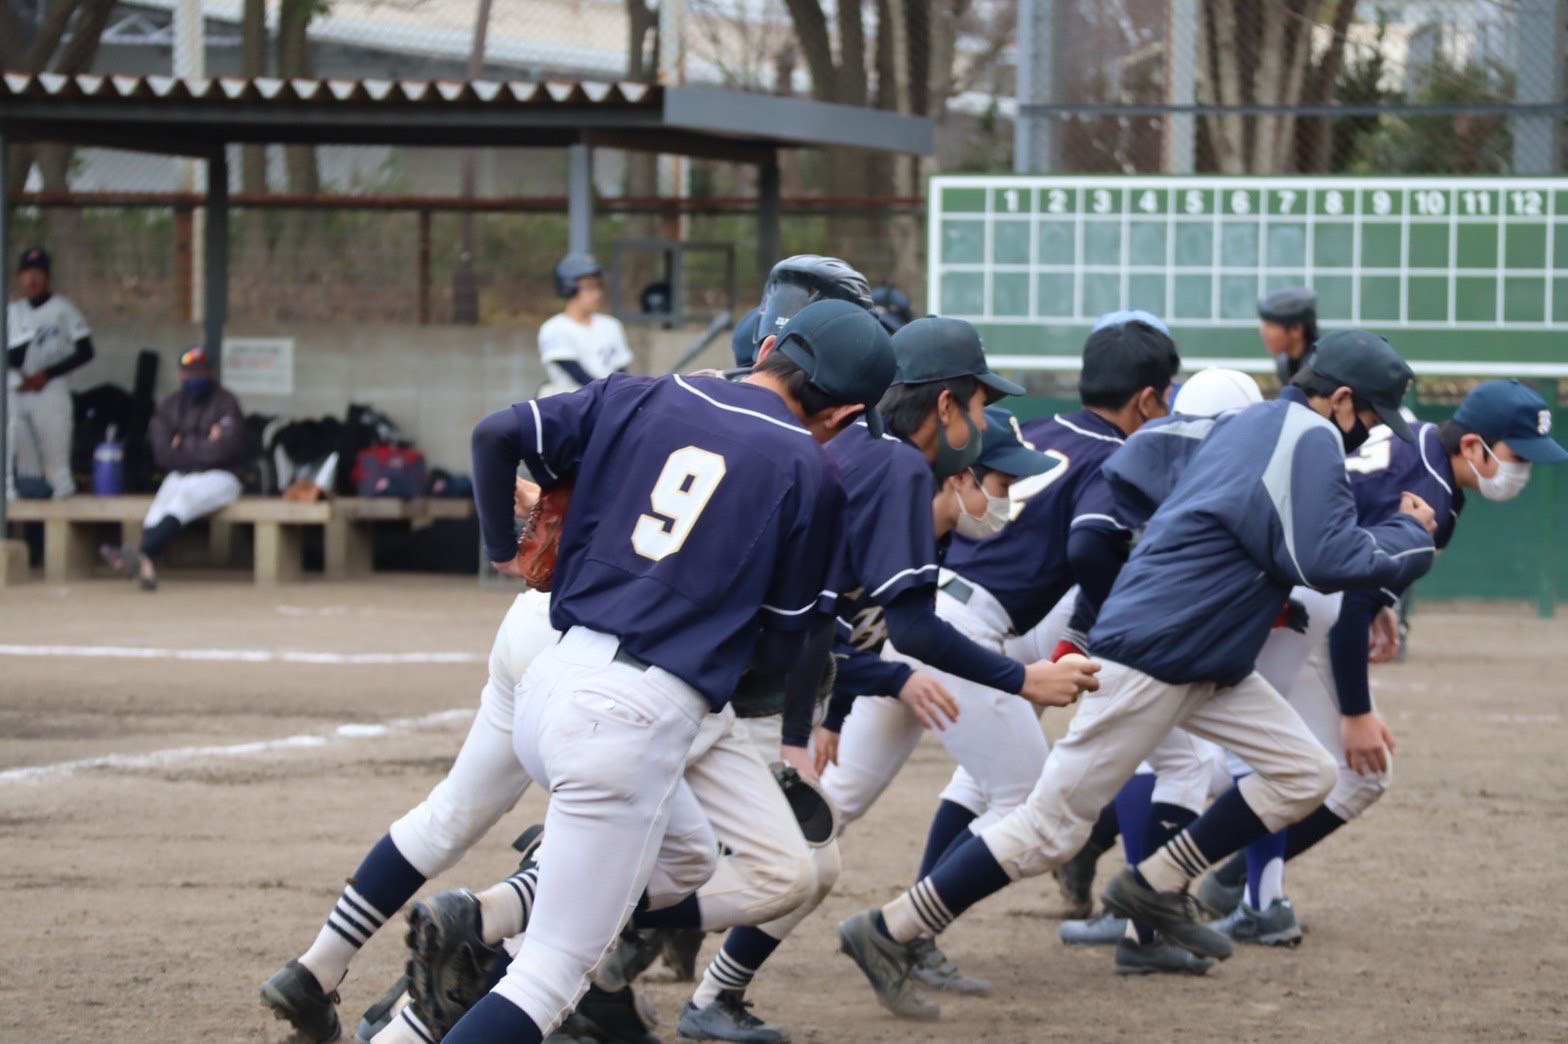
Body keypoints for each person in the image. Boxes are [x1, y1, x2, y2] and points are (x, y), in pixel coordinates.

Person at [836, 330, 1440, 1019]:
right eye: (1368, 415)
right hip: (1159, 649)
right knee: (1049, 828)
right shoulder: (1307, 434)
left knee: (1304, 771)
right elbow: (1328, 557)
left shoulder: (1258, 425)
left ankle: (1153, 883)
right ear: (1338, 398)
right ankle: (889, 929)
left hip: (1205, 651)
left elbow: (1146, 468)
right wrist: (1408, 532)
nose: (1368, 434)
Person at [438, 297, 895, 1044]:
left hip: (551, 679)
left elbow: (496, 434)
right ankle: (512, 926)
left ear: (772, 344)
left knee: (683, 859)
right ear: (843, 413)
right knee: (550, 975)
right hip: (633, 718)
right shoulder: (811, 472)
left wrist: (502, 550)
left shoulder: (644, 390)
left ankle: (514, 905)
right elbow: (782, 646)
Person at [1198, 377, 1568, 944]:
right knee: (1306, 768)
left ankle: (1238, 886)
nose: (1524, 471)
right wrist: (1356, 711)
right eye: (1518, 455)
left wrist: (1382, 601)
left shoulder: (1412, 440)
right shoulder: (1433, 491)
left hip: (1282, 592)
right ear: (1473, 445)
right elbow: (1348, 608)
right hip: (1298, 605)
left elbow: (1362, 571)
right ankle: (1234, 889)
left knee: (1239, 757)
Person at [99, 347, 247, 591]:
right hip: (180, 474)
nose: (195, 376)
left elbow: (224, 450)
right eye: (189, 371)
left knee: (182, 502)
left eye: (200, 371)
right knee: (156, 512)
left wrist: (183, 443)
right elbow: (163, 454)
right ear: (180, 374)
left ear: (212, 372)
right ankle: (145, 567)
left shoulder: (226, 402)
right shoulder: (171, 405)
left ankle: (138, 553)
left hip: (222, 476)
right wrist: (204, 442)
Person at [6, 247, 94, 499]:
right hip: (18, 390)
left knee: (57, 470)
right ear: (19, 276)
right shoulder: (14, 310)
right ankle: (35, 538)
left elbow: (86, 350)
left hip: (50, 389)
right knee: (27, 469)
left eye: (38, 272)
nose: (32, 279)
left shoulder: (62, 308)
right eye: (27, 273)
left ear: (47, 276)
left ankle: (62, 535)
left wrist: (48, 373)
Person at [537, 254, 632, 396]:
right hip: (572, 406)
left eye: (599, 286)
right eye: (589, 287)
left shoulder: (611, 325)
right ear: (569, 288)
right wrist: (609, 394)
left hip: (607, 403)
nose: (597, 293)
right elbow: (578, 375)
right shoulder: (553, 328)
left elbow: (621, 371)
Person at [1257, 286, 1317, 384]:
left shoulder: (1320, 369)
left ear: (1296, 329)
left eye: (1271, 325)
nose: (1263, 331)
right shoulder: (1283, 362)